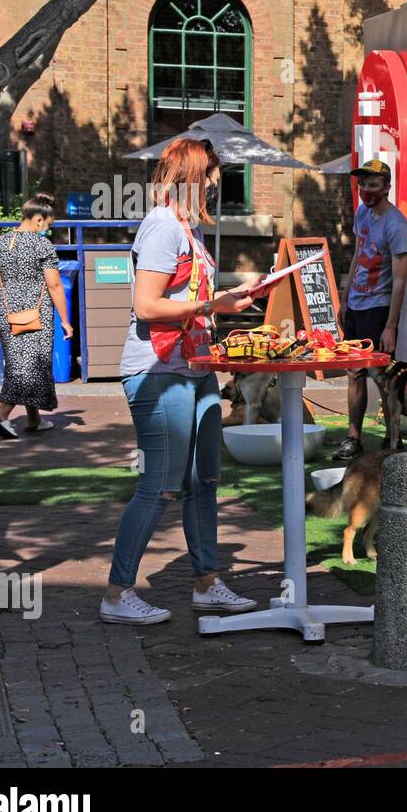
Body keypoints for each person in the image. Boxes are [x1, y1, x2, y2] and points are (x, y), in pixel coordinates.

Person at [102, 138, 264, 624]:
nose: (216, 188)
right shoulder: (161, 228)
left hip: (194, 369)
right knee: (160, 485)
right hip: (157, 372)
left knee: (204, 481)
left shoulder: (186, 231)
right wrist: (213, 305)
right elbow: (146, 306)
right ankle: (116, 594)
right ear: (191, 179)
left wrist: (227, 303)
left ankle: (206, 583)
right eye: (211, 179)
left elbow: (191, 301)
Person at [332, 158, 407, 461]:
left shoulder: (396, 225)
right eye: (362, 183)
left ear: (387, 187)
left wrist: (391, 325)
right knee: (354, 373)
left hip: (378, 309)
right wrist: (344, 295)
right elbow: (357, 254)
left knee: (383, 377)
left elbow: (400, 279)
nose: (366, 190)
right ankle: (353, 437)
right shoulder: (362, 212)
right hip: (356, 304)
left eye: (373, 184)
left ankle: (394, 439)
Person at [0, 193, 74, 439]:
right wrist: (65, 321)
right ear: (38, 218)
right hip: (36, 314)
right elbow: (55, 286)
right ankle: (1, 414)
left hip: (7, 312)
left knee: (20, 364)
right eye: (47, 224)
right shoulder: (42, 245)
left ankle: (34, 419)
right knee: (32, 366)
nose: (47, 228)